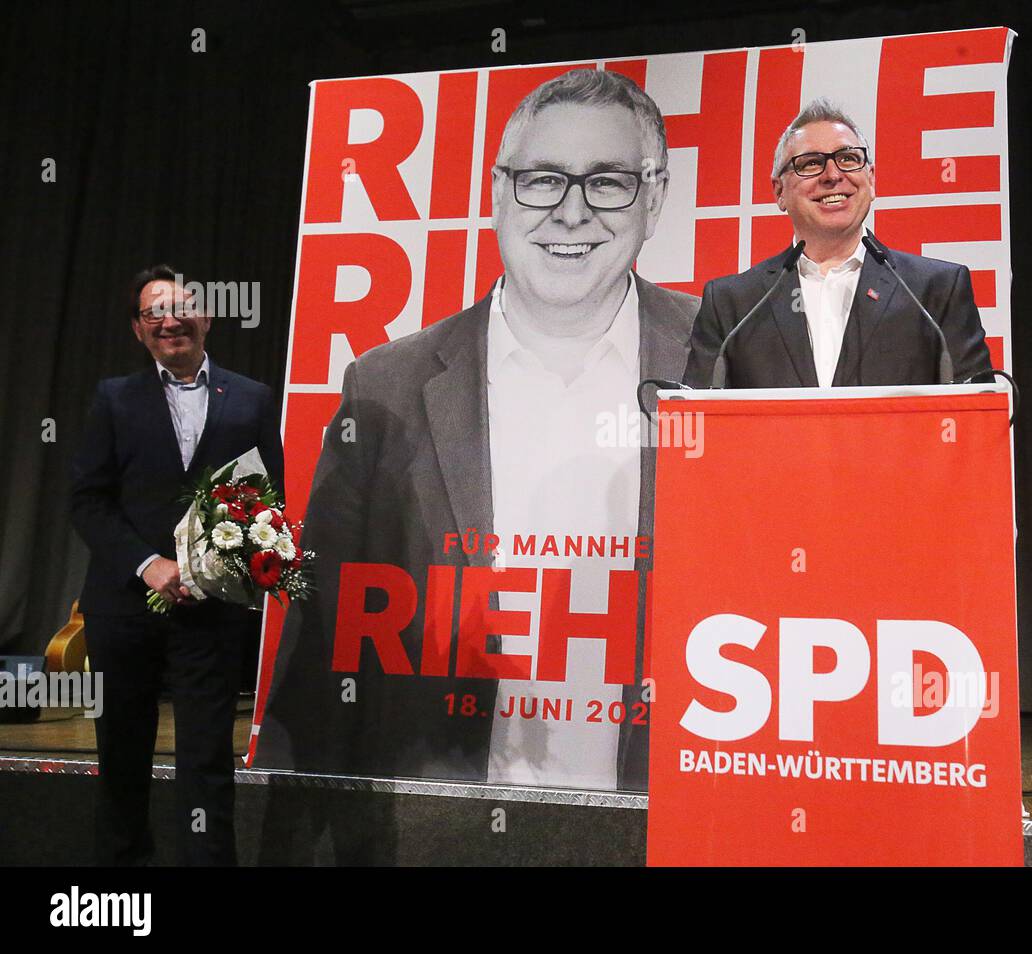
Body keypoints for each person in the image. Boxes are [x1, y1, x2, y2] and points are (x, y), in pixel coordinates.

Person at [258, 69, 698, 792]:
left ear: (653, 199)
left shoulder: (727, 364)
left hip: (664, 814)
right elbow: (321, 641)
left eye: (609, 182)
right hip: (439, 817)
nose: (571, 211)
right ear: (497, 190)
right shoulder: (385, 385)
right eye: (543, 179)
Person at [69, 265, 284, 866]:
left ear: (206, 316)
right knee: (121, 756)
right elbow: (87, 500)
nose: (170, 320)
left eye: (180, 307)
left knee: (206, 758)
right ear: (140, 331)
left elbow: (268, 500)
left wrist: (217, 567)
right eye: (153, 313)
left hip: (212, 612)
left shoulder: (250, 398)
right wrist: (149, 565)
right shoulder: (115, 398)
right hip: (122, 609)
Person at [684, 99, 992, 388]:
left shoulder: (936, 291)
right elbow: (698, 422)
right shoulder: (731, 304)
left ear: (870, 181)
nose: (833, 175)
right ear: (779, 191)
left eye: (848, 159)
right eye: (810, 163)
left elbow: (977, 424)